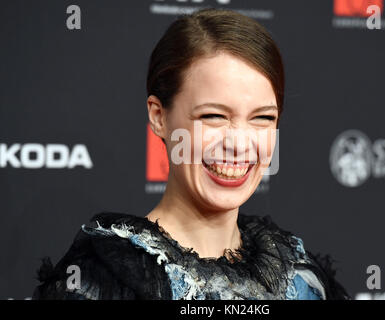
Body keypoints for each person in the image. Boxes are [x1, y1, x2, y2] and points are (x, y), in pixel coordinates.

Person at [32, 8, 349, 300]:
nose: (238, 144)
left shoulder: (299, 275)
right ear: (159, 116)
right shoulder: (101, 282)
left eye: (263, 118)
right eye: (213, 116)